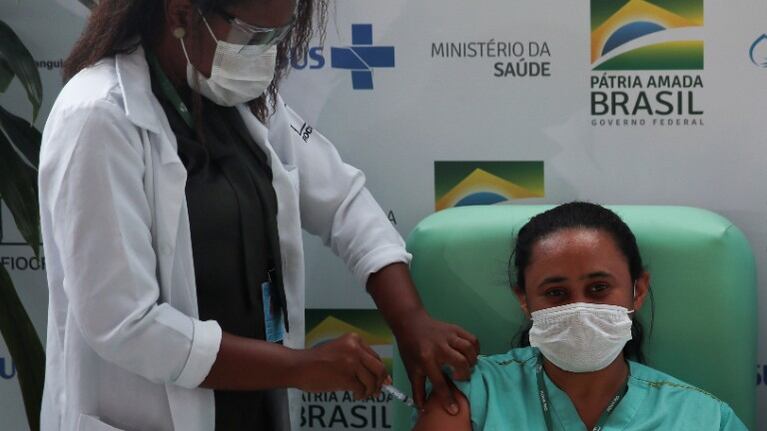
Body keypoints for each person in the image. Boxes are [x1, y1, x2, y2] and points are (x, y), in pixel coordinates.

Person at [37, 0, 478, 430]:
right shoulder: (98, 116)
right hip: (151, 411)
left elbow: (342, 201)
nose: (265, 54)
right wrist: (299, 367)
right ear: (181, 13)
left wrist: (411, 322)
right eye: (253, 35)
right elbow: (125, 324)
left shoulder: (231, 94)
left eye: (278, 35)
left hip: (252, 404)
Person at [413, 202, 748, 430]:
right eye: (556, 293)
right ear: (524, 300)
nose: (580, 309)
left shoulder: (702, 418)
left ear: (638, 289)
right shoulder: (474, 396)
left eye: (599, 288)